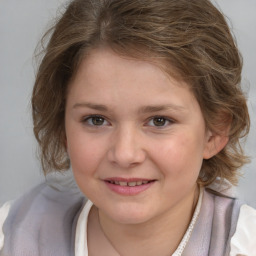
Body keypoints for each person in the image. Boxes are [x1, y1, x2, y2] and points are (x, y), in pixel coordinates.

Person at [0, 0, 255, 255]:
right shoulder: (12, 235)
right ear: (62, 128)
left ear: (215, 131)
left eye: (159, 121)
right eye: (96, 120)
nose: (124, 154)